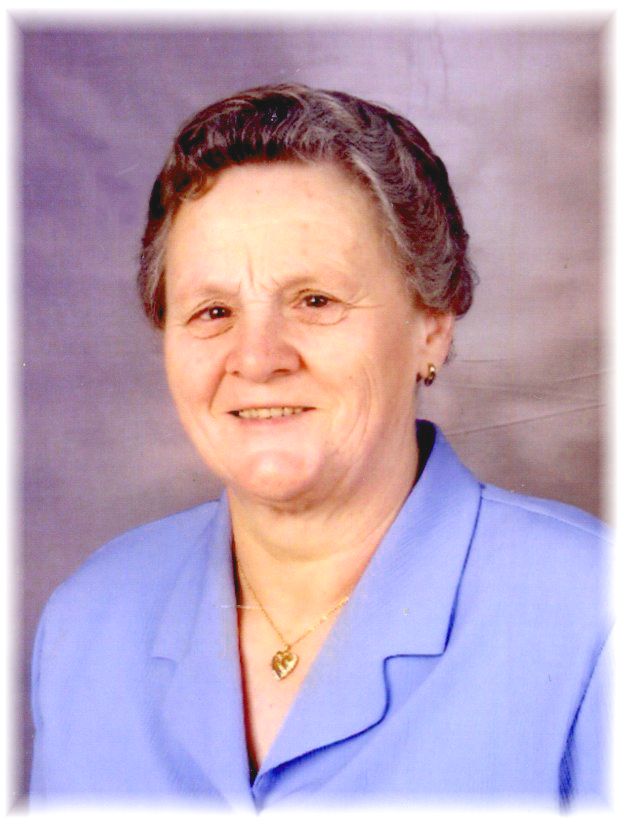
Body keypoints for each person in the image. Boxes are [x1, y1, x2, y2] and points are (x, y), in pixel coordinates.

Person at [29, 84, 610, 811]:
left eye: (315, 301)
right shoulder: (87, 623)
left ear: (432, 324)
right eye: (213, 310)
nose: (257, 357)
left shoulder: (592, 615)